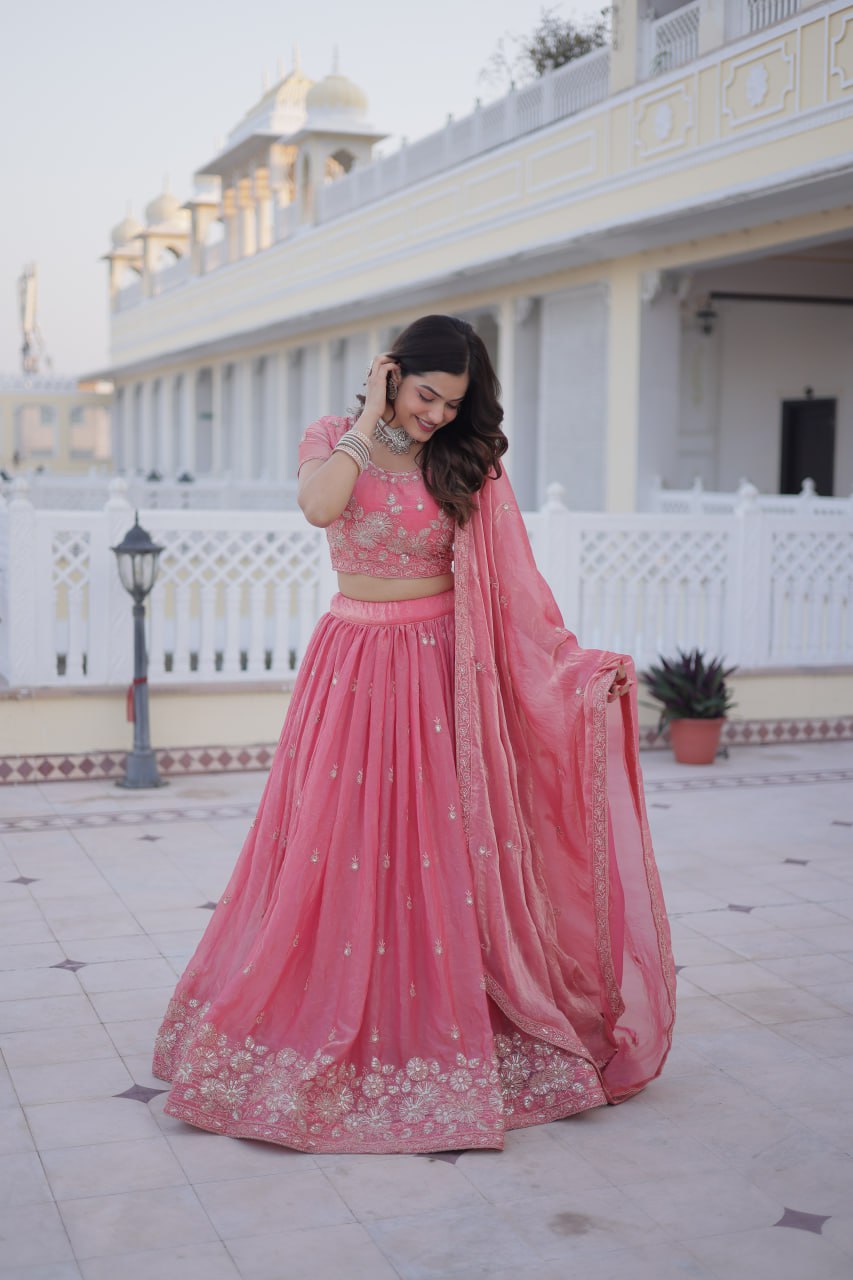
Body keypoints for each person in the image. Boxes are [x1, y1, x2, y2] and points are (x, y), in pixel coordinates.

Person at [152, 314, 676, 1154]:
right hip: (352, 666)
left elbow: (518, 592)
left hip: (442, 673)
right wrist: (368, 422)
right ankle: (329, 1020)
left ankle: (444, 1025)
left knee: (442, 849)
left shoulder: (467, 460)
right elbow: (318, 507)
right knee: (336, 842)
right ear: (390, 373)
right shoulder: (332, 439)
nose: (436, 415)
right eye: (427, 394)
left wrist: (573, 673)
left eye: (452, 402)